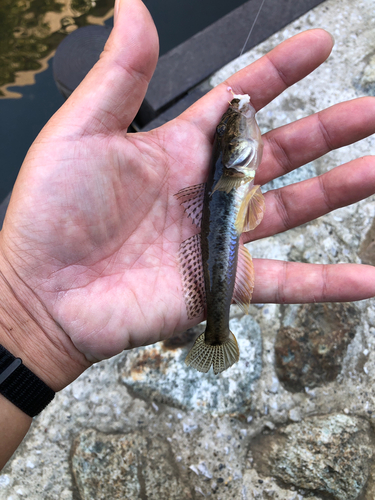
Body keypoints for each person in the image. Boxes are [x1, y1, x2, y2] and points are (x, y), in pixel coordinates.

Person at [1, 0, 375, 470]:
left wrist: (23, 318)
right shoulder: (234, 165)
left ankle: (216, 332)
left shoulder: (232, 169)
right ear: (235, 152)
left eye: (232, 128)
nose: (240, 120)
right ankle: (217, 332)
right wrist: (20, 312)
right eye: (233, 130)